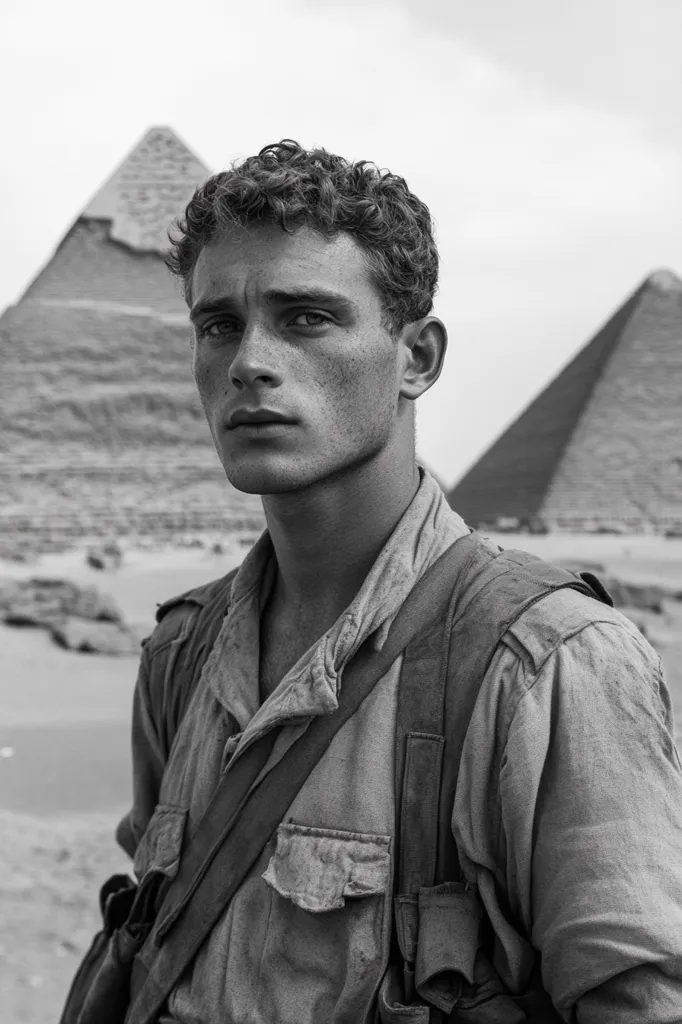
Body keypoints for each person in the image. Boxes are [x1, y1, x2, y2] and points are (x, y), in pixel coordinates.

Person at [114, 141, 682, 1023]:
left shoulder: (547, 669)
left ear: (416, 357)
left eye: (306, 318)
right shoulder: (180, 654)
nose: (248, 362)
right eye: (218, 324)